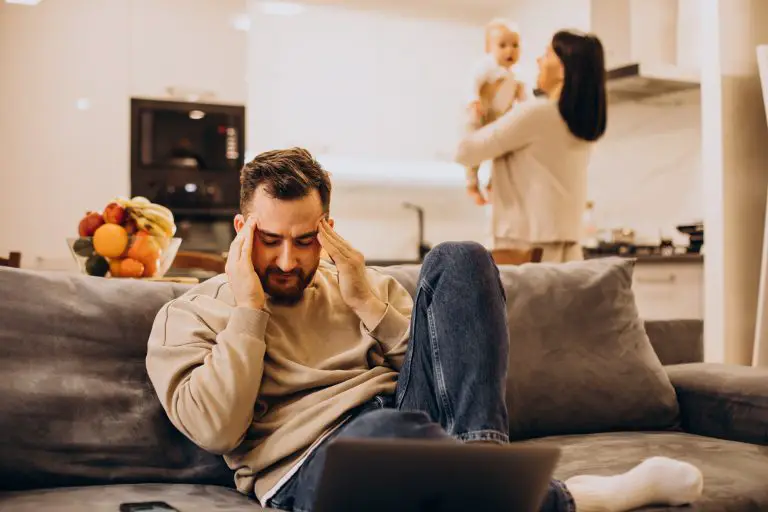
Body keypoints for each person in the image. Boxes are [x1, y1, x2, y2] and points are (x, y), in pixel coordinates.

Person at [146, 147, 703, 512]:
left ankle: (484, 466)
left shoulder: (359, 284)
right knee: (382, 442)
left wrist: (365, 299)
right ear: (242, 230)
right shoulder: (188, 315)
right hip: (308, 463)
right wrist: (248, 311)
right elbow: (218, 430)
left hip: (411, 426)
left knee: (461, 256)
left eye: (305, 239)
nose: (288, 261)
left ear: (327, 229)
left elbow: (444, 370)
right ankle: (569, 500)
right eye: (270, 240)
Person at [455, 30, 608, 263]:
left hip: (523, 250)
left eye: (547, 55)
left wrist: (476, 104)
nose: (538, 60)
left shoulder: (537, 113)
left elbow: (465, 151)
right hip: (568, 249)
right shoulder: (583, 122)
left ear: (564, 69)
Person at [464, 18, 528, 206]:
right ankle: (471, 184)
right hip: (480, 115)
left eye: (515, 45)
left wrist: (527, 111)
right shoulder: (486, 66)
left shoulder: (518, 75)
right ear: (488, 49)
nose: (509, 51)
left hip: (499, 120)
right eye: (502, 45)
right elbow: (471, 83)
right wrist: (473, 99)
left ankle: (493, 184)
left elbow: (525, 99)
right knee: (473, 150)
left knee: (501, 154)